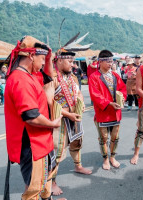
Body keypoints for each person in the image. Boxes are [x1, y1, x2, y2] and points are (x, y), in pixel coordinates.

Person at [4, 36, 64, 200]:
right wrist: (52, 123)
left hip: (39, 142)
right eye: (42, 59)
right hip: (32, 144)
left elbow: (48, 77)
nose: (44, 63)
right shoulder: (20, 79)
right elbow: (31, 116)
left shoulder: (29, 75)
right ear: (31, 55)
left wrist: (49, 56)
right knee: (33, 190)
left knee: (43, 184)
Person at [51, 49, 92, 196]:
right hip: (61, 119)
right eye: (70, 62)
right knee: (58, 149)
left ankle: (78, 166)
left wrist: (80, 102)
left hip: (74, 116)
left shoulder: (72, 76)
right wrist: (68, 114)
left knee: (76, 142)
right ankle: (52, 181)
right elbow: (49, 103)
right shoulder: (52, 78)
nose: (73, 65)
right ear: (60, 60)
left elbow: (78, 92)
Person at [89, 50, 127, 170]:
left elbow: (123, 89)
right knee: (103, 138)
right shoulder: (94, 77)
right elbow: (95, 95)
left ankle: (112, 157)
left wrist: (122, 99)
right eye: (108, 61)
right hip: (103, 112)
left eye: (111, 61)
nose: (110, 64)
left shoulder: (115, 75)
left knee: (115, 137)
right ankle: (105, 158)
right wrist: (109, 103)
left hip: (116, 112)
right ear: (100, 62)